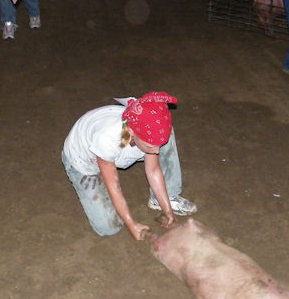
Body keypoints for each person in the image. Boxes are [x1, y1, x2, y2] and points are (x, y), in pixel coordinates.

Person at [62, 93, 197, 241]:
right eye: (150, 146)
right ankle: (94, 174)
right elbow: (114, 187)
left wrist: (167, 210)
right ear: (132, 132)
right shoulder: (107, 139)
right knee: (109, 228)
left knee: (165, 135)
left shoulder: (146, 132)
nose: (157, 151)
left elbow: (153, 170)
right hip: (84, 160)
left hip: (121, 144)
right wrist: (131, 224)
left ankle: (167, 196)